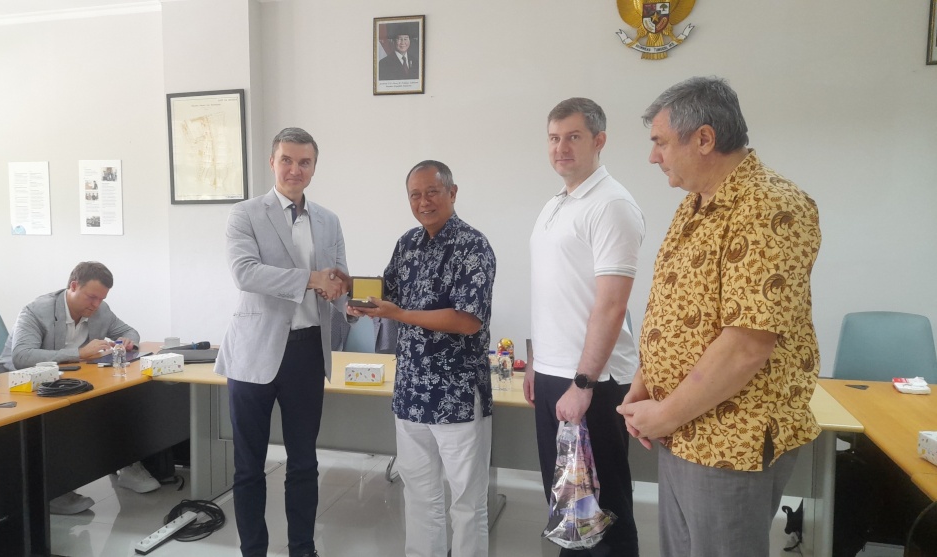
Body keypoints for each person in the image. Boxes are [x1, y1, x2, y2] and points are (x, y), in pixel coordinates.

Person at [616, 76, 821, 557]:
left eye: (661, 142)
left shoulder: (769, 206)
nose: (653, 157)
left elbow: (747, 344)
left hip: (731, 438)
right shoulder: (696, 204)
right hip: (682, 426)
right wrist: (646, 383)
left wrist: (664, 414)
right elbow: (674, 308)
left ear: (704, 139)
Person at [348, 160, 496, 557]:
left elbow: (467, 320)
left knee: (467, 502)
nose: (423, 202)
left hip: (457, 395)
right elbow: (387, 294)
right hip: (411, 391)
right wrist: (355, 299)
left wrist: (398, 314)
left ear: (452, 192)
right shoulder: (407, 243)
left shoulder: (473, 246)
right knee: (418, 494)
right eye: (415, 195)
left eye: (432, 192)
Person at [215, 127, 349, 557]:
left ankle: (302, 548)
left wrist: (342, 295)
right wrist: (312, 279)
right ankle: (253, 549)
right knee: (249, 465)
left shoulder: (328, 220)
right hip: (253, 351)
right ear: (272, 162)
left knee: (304, 462)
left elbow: (338, 278)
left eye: (304, 162)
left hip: (307, 351)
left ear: (314, 167)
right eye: (287, 160)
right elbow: (245, 273)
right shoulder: (245, 214)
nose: (295, 169)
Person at [523, 98, 645, 557]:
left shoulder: (611, 204)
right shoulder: (557, 203)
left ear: (599, 141)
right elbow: (552, 292)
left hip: (592, 380)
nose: (561, 148)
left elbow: (612, 306)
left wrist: (582, 382)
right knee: (568, 503)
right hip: (554, 374)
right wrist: (536, 361)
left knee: (604, 509)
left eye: (573, 137)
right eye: (554, 138)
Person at [0, 261, 161, 515]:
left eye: (101, 299)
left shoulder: (100, 309)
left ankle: (127, 464)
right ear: (73, 286)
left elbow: (129, 331)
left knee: (122, 399)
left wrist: (128, 340)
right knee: (65, 419)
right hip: (22, 385)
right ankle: (53, 490)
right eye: (91, 297)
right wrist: (79, 353)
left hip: (67, 379)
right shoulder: (36, 310)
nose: (96, 305)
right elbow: (21, 356)